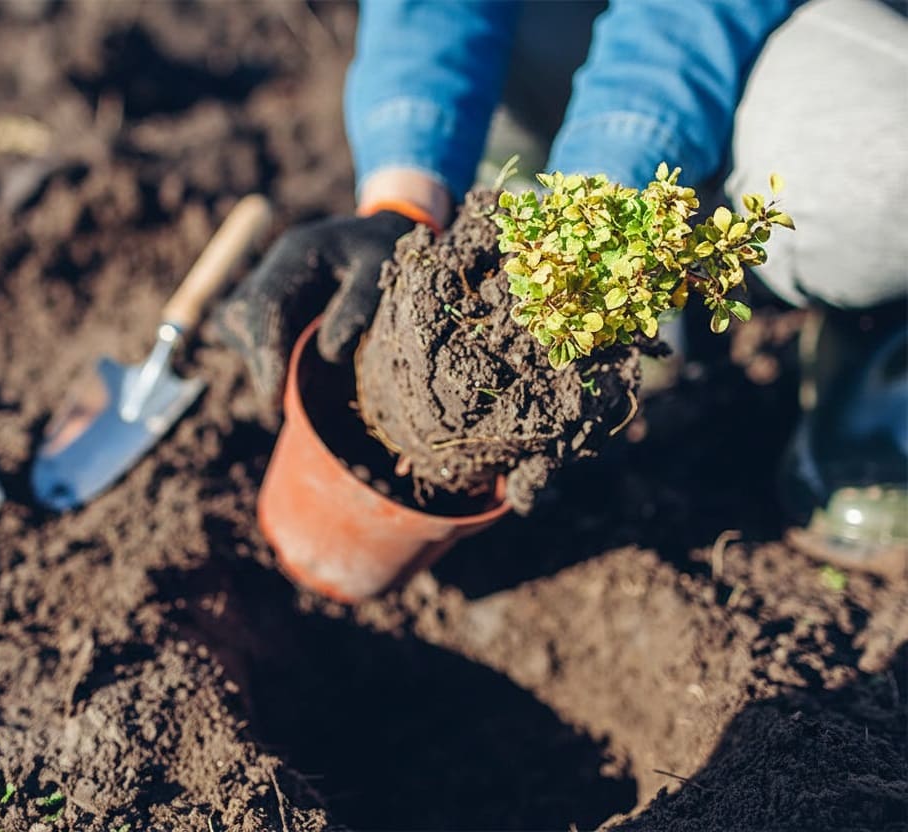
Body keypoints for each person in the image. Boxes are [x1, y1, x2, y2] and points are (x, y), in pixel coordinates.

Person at [216, 0, 908, 570]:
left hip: (773, 33)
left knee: (878, 162)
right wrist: (404, 195)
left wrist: (599, 199)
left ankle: (872, 324)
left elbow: (686, 17)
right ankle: (521, 208)